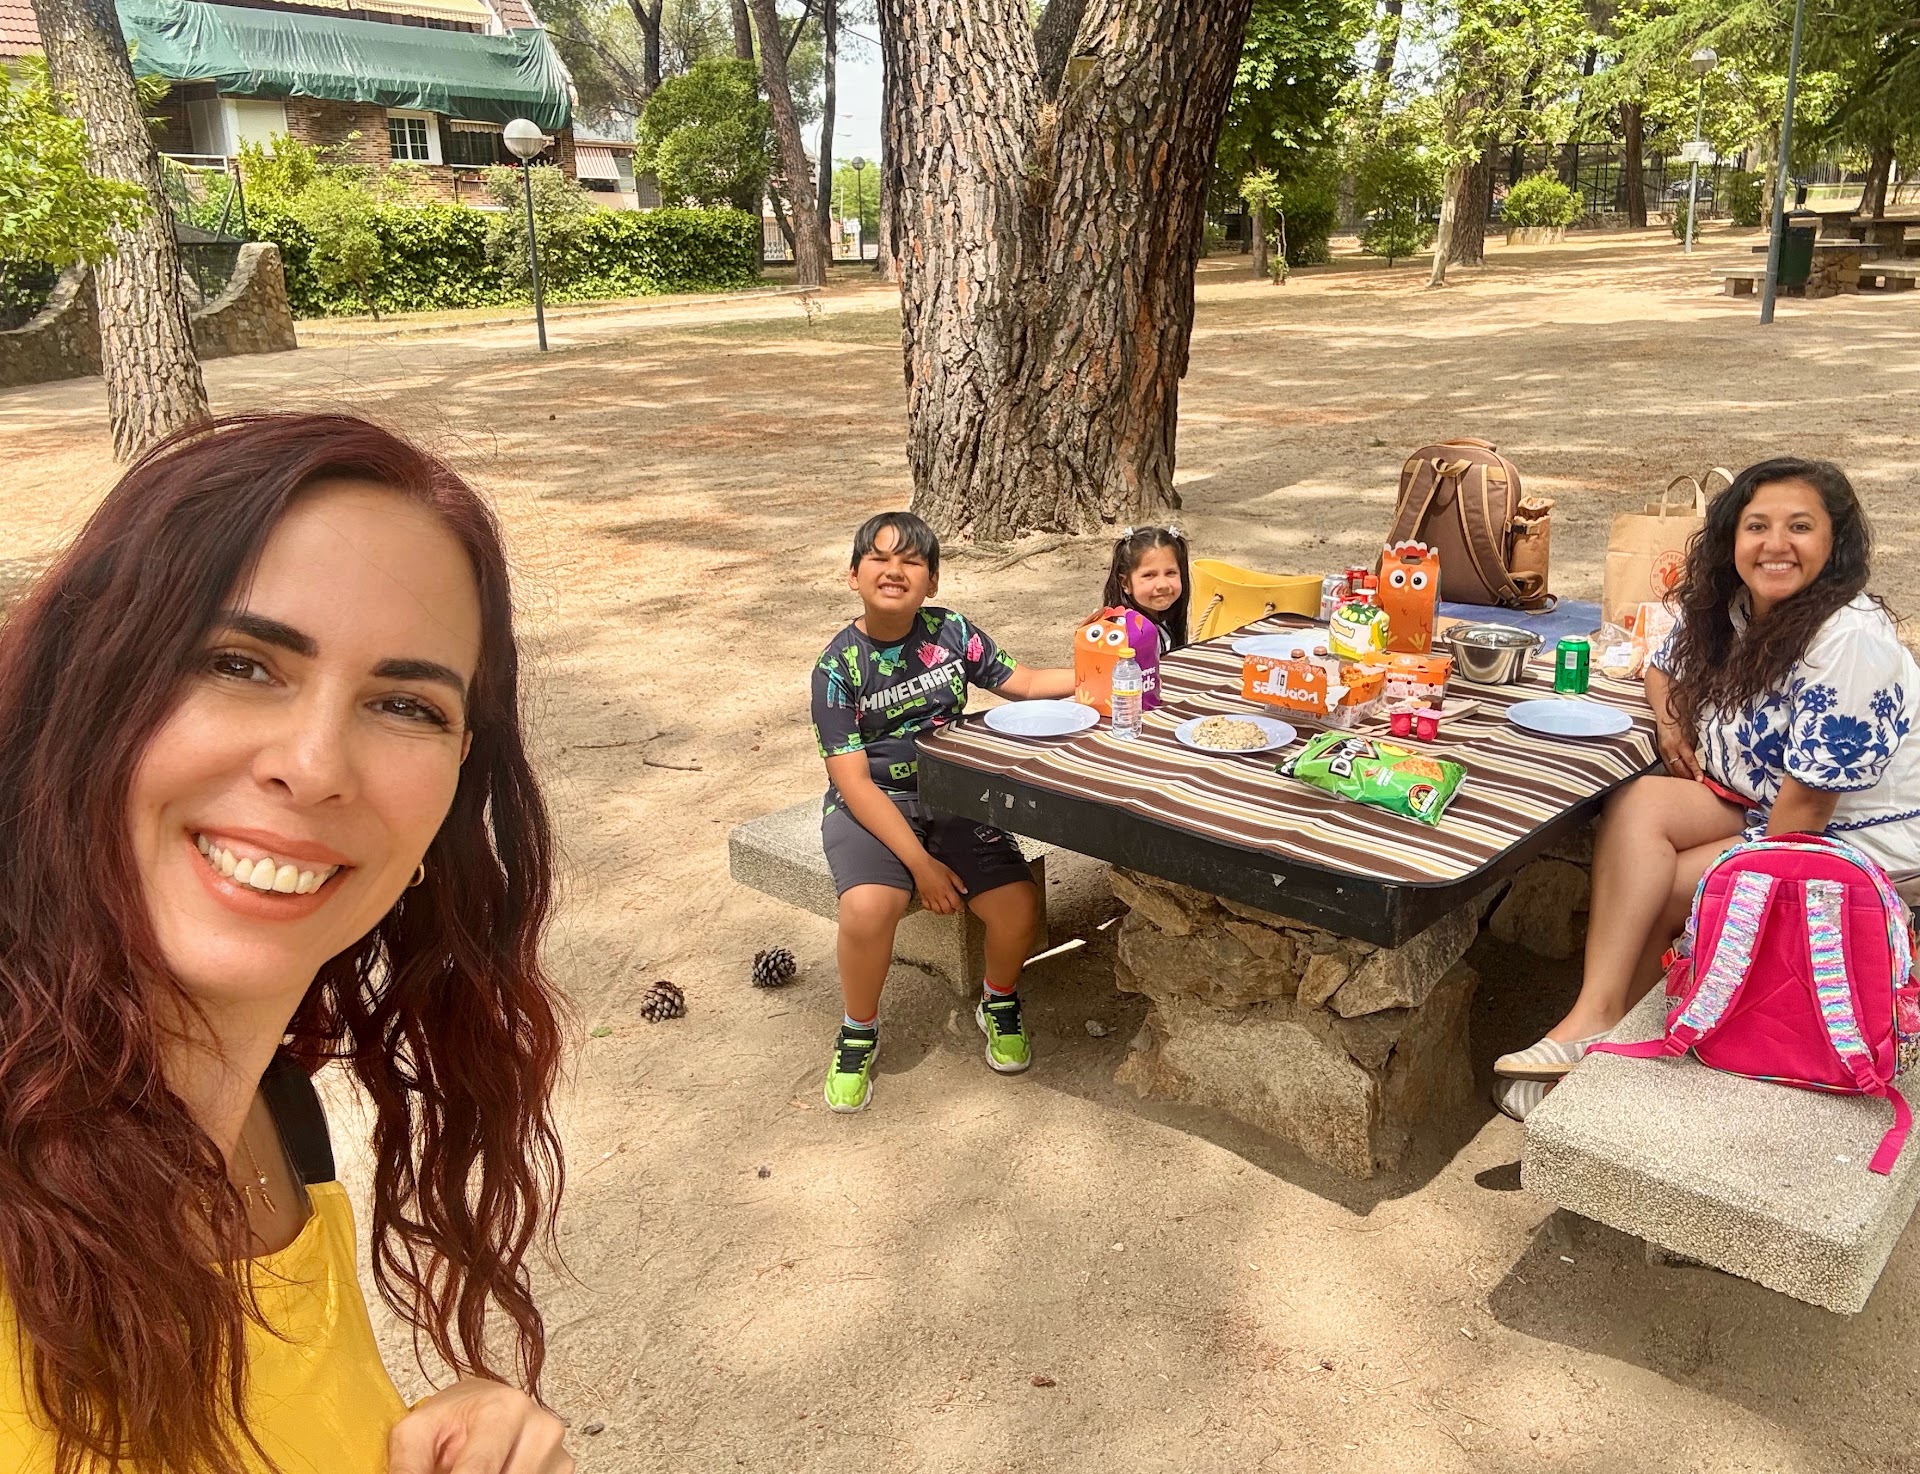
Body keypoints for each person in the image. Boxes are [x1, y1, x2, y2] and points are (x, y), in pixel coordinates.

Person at [0, 414, 572, 1473]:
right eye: (239, 663)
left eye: (405, 703)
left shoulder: (278, 1118)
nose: (314, 767)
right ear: (87, 685)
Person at [1494, 457, 1920, 1114]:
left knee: (1668, 888)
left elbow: (1807, 809)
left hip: (1847, 834)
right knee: (1641, 800)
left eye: (1799, 526)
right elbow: (1662, 666)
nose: (1775, 544)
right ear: (1732, 537)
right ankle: (1594, 1016)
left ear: (1834, 542)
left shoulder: (1849, 642)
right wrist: (1671, 725)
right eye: (1757, 526)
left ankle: (1605, 1063)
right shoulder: (1734, 607)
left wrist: (1730, 887)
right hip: (1759, 801)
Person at [811, 512, 1076, 1112]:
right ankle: (858, 1030)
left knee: (1017, 907)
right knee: (867, 909)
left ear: (931, 581)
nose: (895, 571)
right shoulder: (836, 667)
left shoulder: (951, 631)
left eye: (912, 561)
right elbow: (853, 783)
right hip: (871, 807)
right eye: (880, 559)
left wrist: (1098, 681)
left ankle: (998, 999)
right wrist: (922, 867)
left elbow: (1025, 682)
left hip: (955, 796)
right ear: (853, 575)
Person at [1101, 525, 1192, 656]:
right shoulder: (1124, 634)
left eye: (1170, 573)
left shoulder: (1165, 621)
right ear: (1125, 583)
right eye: (1149, 575)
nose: (1162, 585)